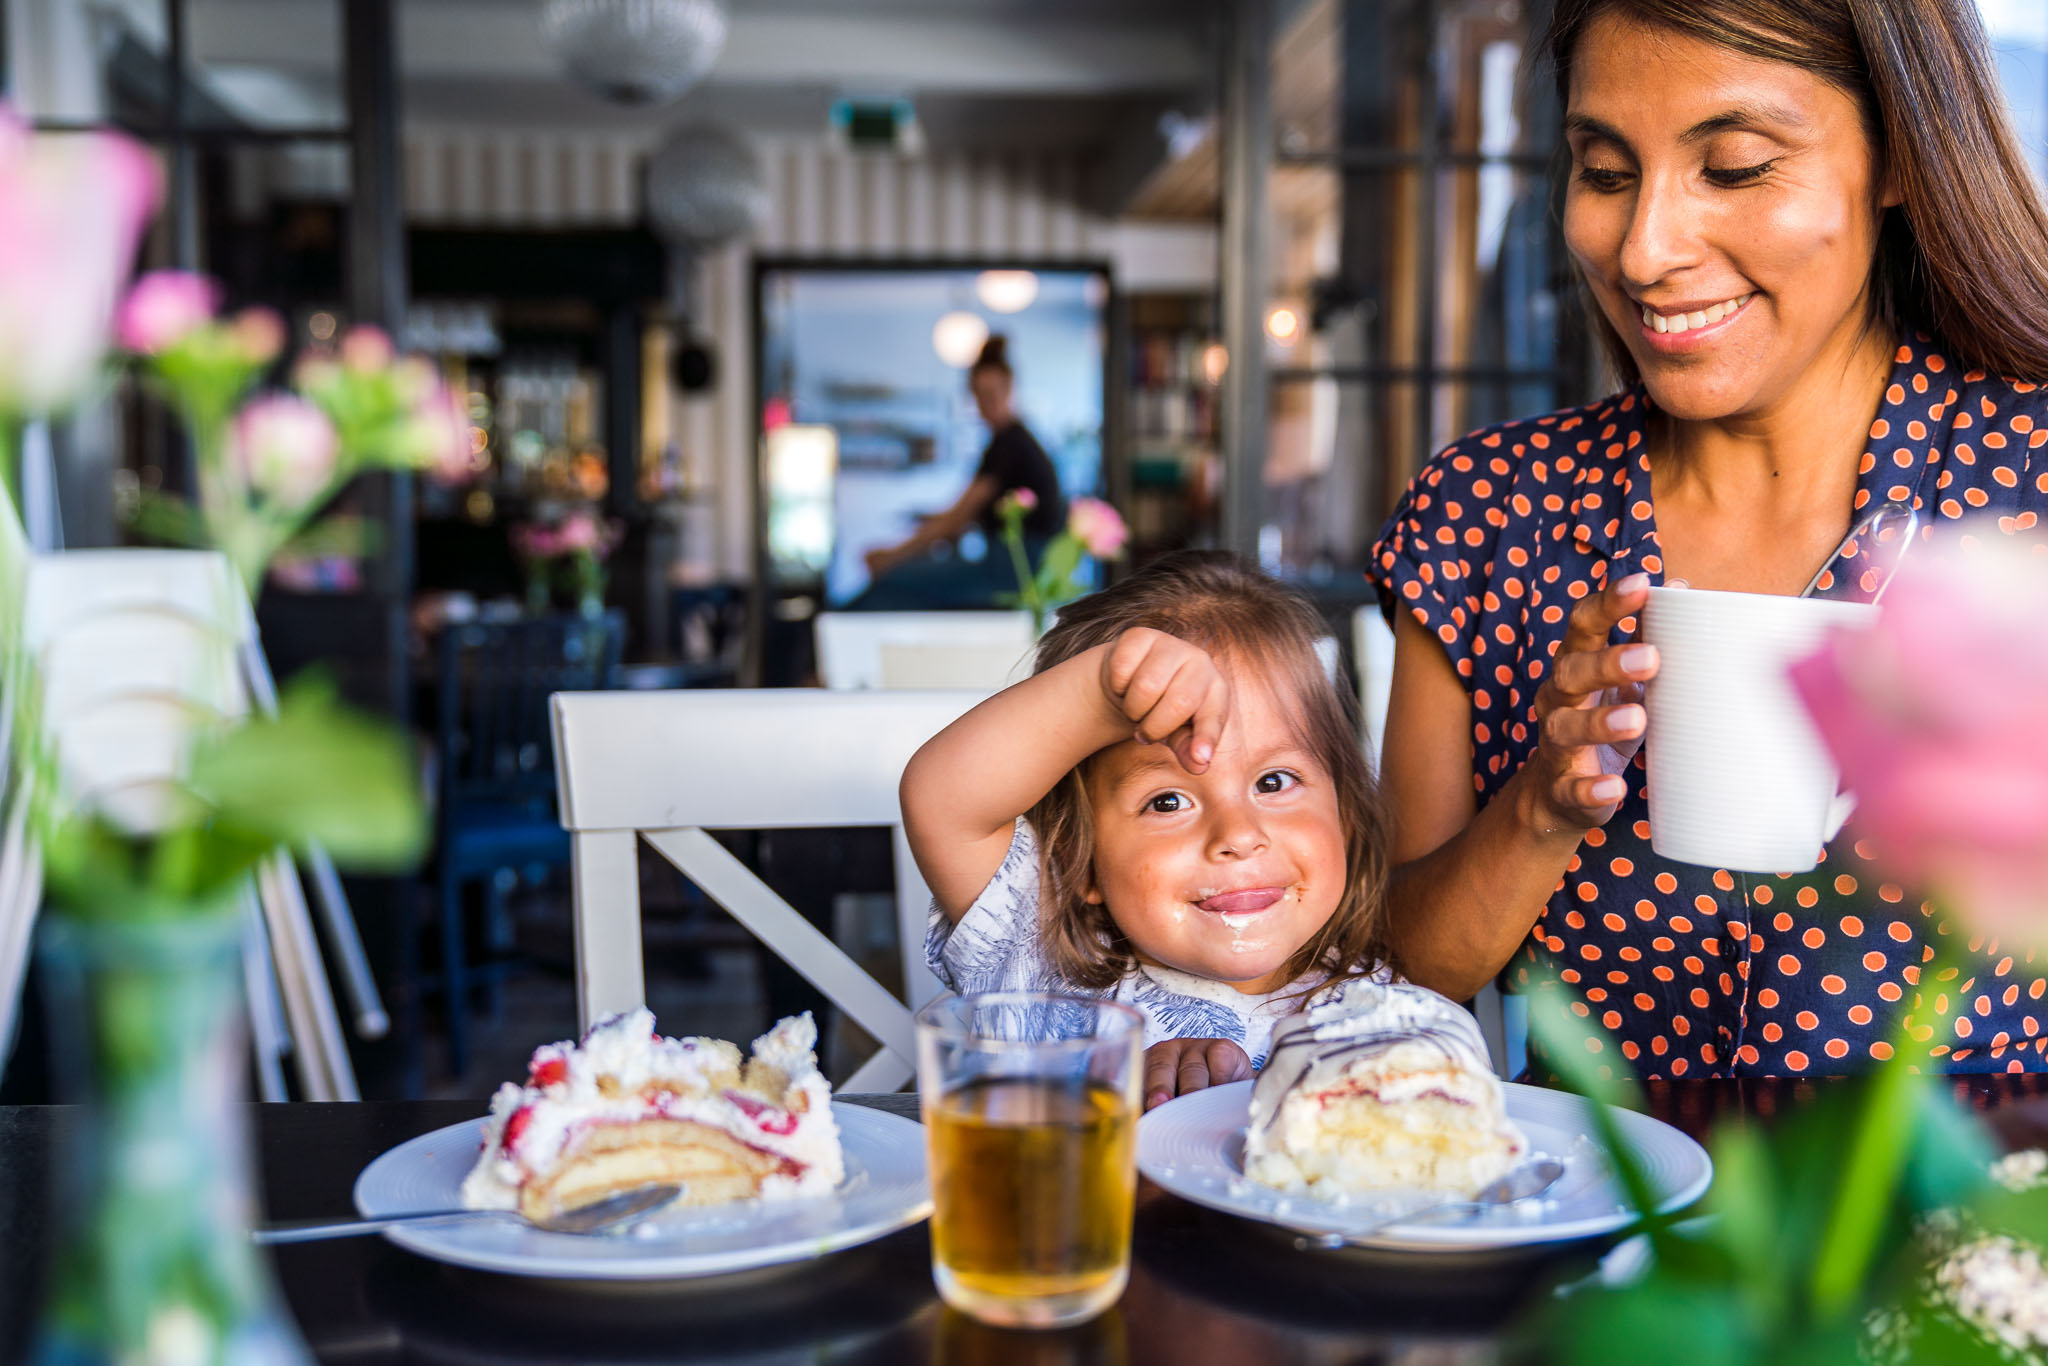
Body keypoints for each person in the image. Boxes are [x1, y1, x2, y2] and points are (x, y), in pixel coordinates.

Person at [1369, 0, 2048, 1079]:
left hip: (1977, 1231)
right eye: (1601, 171)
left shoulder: (2025, 487)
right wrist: (1541, 805)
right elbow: (1398, 980)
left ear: (1897, 157)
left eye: (1730, 168)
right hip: (1611, 1226)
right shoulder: (1485, 516)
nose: (1643, 250)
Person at [902, 551, 1392, 1110]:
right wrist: (1104, 695)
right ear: (1079, 857)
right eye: (1168, 800)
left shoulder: (1377, 1010)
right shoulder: (1035, 962)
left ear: (1345, 815)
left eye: (1275, 782)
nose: (1238, 834)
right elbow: (942, 801)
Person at [857, 334, 1065, 605]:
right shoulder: (1012, 442)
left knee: (892, 582)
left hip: (1008, 577)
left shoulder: (1009, 445)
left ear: (1010, 388)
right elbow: (963, 515)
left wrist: (891, 556)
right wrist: (932, 523)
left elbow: (958, 519)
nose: (986, 405)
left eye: (993, 394)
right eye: (980, 396)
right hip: (1010, 570)